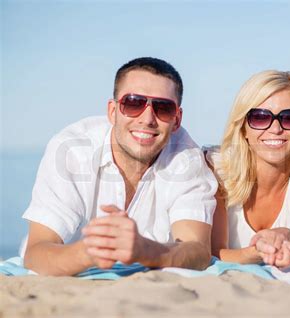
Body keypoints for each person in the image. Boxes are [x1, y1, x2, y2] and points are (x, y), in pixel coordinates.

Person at [22, 57, 217, 276]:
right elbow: (35, 253)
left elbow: (198, 250)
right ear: (112, 111)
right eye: (133, 103)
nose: (147, 119)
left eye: (163, 108)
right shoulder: (72, 149)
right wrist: (92, 251)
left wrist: (145, 250)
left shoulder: (187, 158)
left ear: (177, 119)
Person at [205, 70, 290, 268]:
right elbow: (214, 254)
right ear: (243, 127)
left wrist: (287, 235)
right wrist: (258, 251)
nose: (275, 129)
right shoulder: (216, 169)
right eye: (260, 117)